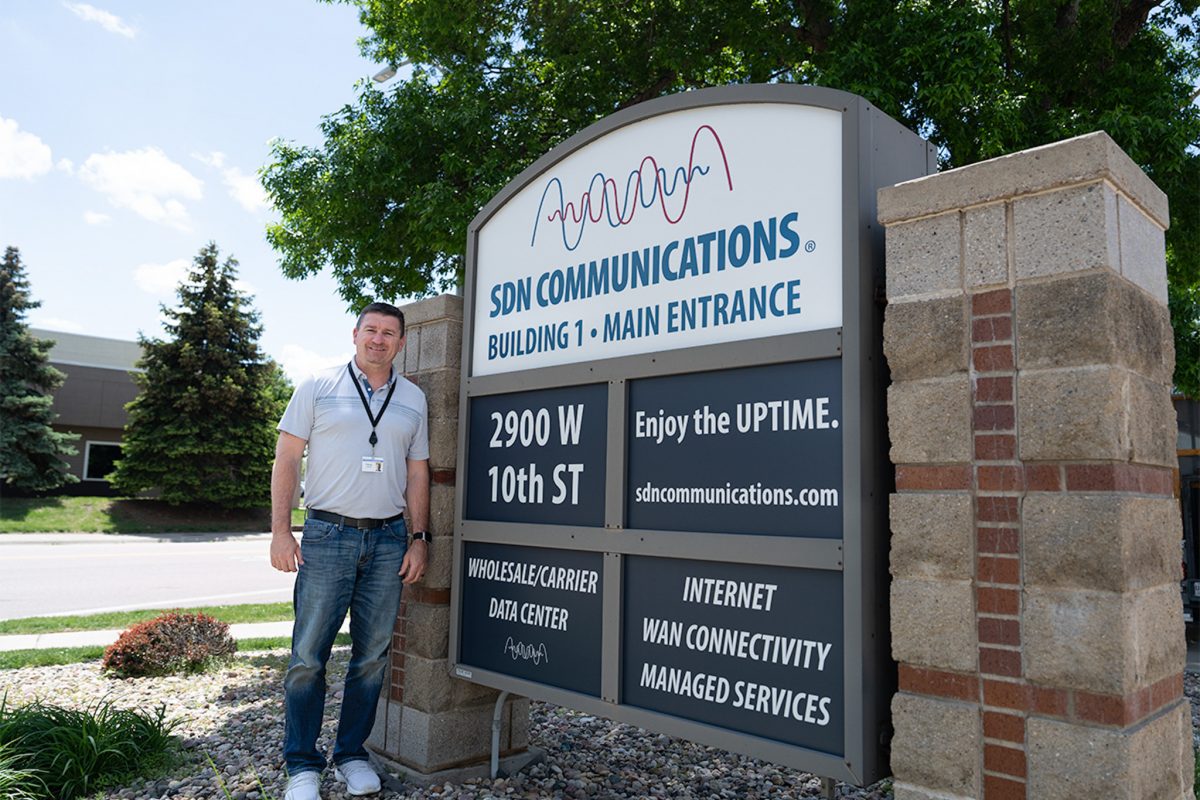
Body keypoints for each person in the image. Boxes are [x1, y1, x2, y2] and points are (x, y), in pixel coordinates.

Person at [270, 301, 431, 800]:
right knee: (307, 657)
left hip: (387, 540)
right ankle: (302, 765)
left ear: (401, 343)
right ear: (355, 334)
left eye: (389, 333)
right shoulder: (317, 386)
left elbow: (418, 470)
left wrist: (419, 537)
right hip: (326, 536)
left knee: (371, 658)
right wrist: (280, 530)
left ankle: (351, 754)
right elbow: (287, 458)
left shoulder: (413, 398)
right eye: (371, 330)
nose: (379, 339)